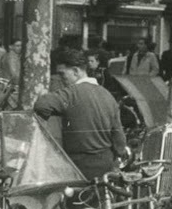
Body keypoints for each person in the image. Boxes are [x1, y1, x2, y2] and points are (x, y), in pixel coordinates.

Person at [33, 49, 127, 181]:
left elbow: (41, 105)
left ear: (76, 71)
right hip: (105, 164)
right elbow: (119, 137)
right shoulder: (107, 95)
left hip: (79, 166)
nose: (61, 79)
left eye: (63, 74)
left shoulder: (70, 94)